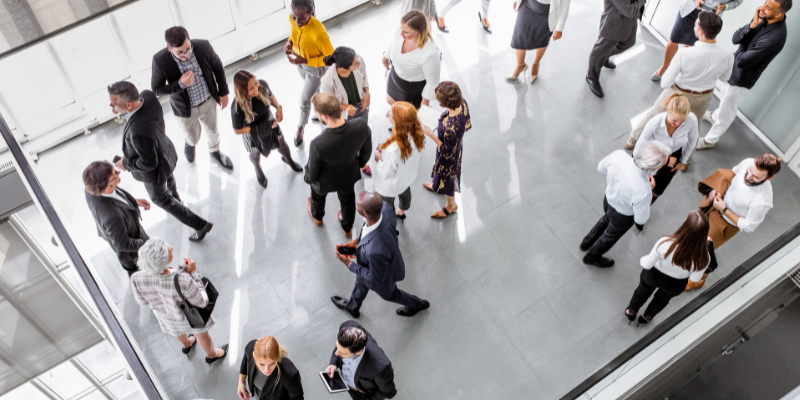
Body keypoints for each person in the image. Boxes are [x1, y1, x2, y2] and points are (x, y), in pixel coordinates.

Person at [108, 81, 214, 241]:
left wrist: (125, 163)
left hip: (154, 172)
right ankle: (176, 198)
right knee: (169, 178)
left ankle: (200, 225)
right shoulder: (147, 96)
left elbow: (149, 163)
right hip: (165, 152)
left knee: (161, 199)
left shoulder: (137, 132)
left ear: (129, 105)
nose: (111, 107)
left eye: (114, 104)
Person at [625, 12, 732, 163]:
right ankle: (686, 160)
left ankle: (632, 140)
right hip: (703, 98)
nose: (694, 26)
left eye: (696, 24)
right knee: (695, 128)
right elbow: (725, 78)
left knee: (652, 115)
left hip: (678, 93)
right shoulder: (727, 54)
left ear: (700, 32)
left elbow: (664, 83)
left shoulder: (684, 53)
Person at [697, 0, 791, 149]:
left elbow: (742, 60)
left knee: (728, 108)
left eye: (768, 7)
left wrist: (736, 50)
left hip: (742, 78)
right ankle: (715, 117)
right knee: (725, 97)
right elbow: (736, 39)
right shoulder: (762, 18)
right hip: (734, 69)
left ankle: (710, 140)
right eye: (765, 2)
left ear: (779, 14)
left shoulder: (775, 37)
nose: (762, 8)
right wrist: (753, 24)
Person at [331, 192, 431, 318]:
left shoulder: (375, 251)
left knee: (391, 294)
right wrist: (357, 241)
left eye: (357, 205)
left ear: (366, 213)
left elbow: (375, 277)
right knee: (361, 282)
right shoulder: (386, 208)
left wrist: (349, 264)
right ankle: (353, 307)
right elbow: (371, 231)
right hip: (375, 260)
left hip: (383, 277)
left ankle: (419, 305)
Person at [690, 154, 781, 290]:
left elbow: (748, 226)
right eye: (750, 170)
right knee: (692, 234)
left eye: (756, 177)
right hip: (713, 206)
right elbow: (733, 173)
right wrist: (714, 192)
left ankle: (699, 277)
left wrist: (724, 209)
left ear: (769, 178)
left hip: (724, 224)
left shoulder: (762, 201)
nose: (749, 176)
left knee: (702, 248)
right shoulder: (748, 162)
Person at [131, 238, 228, 363]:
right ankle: (212, 355)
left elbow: (142, 301)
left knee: (177, 331)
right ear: (164, 261)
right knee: (202, 336)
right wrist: (194, 273)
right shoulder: (182, 280)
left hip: (165, 317)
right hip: (189, 318)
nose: (172, 248)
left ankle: (187, 343)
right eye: (169, 252)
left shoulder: (136, 278)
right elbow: (202, 301)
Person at [151, 26, 233, 170]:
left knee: (213, 130)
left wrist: (223, 91)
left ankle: (215, 152)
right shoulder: (160, 60)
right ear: (170, 49)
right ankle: (190, 144)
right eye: (180, 52)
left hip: (208, 100)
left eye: (188, 49)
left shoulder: (203, 46)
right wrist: (180, 84)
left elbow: (217, 66)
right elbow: (157, 89)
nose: (186, 55)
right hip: (185, 110)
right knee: (193, 137)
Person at [580, 142, 672, 268]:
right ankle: (592, 257)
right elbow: (641, 219)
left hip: (608, 200)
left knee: (606, 218)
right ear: (651, 168)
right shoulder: (644, 190)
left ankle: (586, 242)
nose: (664, 165)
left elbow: (601, 168)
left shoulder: (618, 155)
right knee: (609, 237)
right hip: (622, 216)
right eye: (663, 163)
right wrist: (650, 190)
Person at [626, 211, 718, 324]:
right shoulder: (704, 257)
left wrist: (642, 259)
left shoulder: (665, 242)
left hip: (653, 276)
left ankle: (631, 312)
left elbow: (647, 264)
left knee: (641, 293)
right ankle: (646, 317)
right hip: (675, 284)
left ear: (685, 224)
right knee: (661, 301)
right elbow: (694, 279)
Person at [304, 93, 372, 237]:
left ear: (325, 116)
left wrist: (307, 178)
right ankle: (347, 228)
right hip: (347, 175)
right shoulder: (360, 126)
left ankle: (317, 217)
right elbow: (366, 151)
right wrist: (360, 163)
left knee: (317, 197)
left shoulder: (318, 144)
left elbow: (312, 174)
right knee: (348, 200)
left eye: (316, 113)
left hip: (323, 182)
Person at [231, 70, 303, 189]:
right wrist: (259, 129)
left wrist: (278, 107)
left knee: (282, 144)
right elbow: (237, 130)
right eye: (251, 88)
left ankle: (288, 159)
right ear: (242, 91)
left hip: (269, 121)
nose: (256, 88)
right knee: (255, 153)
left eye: (255, 83)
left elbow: (270, 95)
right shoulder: (237, 106)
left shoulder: (262, 85)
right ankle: (258, 169)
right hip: (251, 131)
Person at [83, 161, 150, 277]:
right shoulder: (112, 217)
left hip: (124, 228)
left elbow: (115, 198)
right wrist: (146, 243)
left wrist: (133, 202)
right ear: (107, 186)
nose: (119, 172)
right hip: (133, 253)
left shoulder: (90, 190)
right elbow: (123, 244)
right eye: (115, 174)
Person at [650, 0, 743, 81]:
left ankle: (676, 71)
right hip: (691, 8)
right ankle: (664, 67)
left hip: (709, 18)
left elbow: (738, 1)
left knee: (691, 47)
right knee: (673, 39)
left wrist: (724, 6)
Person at [631, 93, 699, 203]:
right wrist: (665, 161)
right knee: (640, 183)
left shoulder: (691, 120)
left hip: (674, 155)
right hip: (652, 155)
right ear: (667, 110)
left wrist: (682, 161)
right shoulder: (654, 123)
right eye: (675, 120)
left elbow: (692, 140)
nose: (678, 124)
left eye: (682, 121)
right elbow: (639, 148)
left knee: (658, 189)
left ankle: (647, 204)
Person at [285, 0, 334, 146]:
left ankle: (300, 128)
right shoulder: (293, 18)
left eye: (301, 18)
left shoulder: (318, 32)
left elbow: (330, 58)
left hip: (314, 69)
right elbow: (294, 33)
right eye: (294, 17)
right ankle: (321, 112)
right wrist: (289, 43)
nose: (297, 21)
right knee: (316, 92)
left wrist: (305, 60)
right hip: (299, 65)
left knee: (304, 100)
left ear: (310, 13)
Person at [320, 46, 373, 177]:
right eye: (355, 63)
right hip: (345, 116)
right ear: (344, 69)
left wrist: (367, 94)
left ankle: (362, 163)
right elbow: (327, 103)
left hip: (361, 107)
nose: (359, 62)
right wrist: (344, 107)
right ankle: (352, 161)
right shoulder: (327, 81)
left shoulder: (358, 59)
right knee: (348, 141)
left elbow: (364, 75)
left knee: (362, 135)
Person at [422, 82, 471, 219]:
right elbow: (466, 124)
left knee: (447, 177)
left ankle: (451, 205)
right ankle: (436, 184)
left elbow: (444, 150)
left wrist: (430, 134)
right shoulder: (462, 102)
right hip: (455, 146)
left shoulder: (451, 127)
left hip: (449, 154)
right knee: (439, 169)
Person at [374, 102, 426, 220]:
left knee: (387, 204)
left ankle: (391, 220)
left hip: (390, 185)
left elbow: (385, 173)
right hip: (408, 175)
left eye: (390, 116)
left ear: (399, 124)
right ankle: (402, 211)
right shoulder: (418, 123)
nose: (388, 117)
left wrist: (379, 159)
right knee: (404, 191)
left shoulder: (395, 149)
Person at [585, 0, 646, 97]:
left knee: (629, 42)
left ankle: (604, 57)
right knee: (600, 50)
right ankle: (591, 77)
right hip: (614, 22)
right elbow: (629, 10)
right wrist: (640, 3)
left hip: (630, 19)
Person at [382, 10, 442, 109]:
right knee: (391, 101)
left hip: (413, 87)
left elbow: (432, 83)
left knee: (409, 112)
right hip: (395, 77)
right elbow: (394, 41)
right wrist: (386, 56)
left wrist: (424, 102)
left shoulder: (430, 53)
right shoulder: (401, 31)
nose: (401, 33)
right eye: (401, 29)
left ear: (418, 31)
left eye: (406, 32)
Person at [324, 321, 397, 400]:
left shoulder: (380, 368)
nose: (336, 353)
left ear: (358, 351)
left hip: (363, 394)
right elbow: (341, 347)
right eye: (337, 347)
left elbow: (388, 391)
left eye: (342, 353)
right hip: (351, 386)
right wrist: (333, 363)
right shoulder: (347, 327)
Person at [506, 0, 571, 83]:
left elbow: (565, 4)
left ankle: (536, 63)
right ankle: (521, 65)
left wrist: (559, 28)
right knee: (519, 36)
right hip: (527, 4)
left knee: (542, 39)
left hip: (547, 12)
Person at [237, 336, 304, 400]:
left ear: (277, 357)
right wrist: (241, 382)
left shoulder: (289, 374)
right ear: (254, 356)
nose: (267, 370)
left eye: (272, 364)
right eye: (262, 364)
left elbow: (297, 398)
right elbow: (245, 360)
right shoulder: (250, 347)